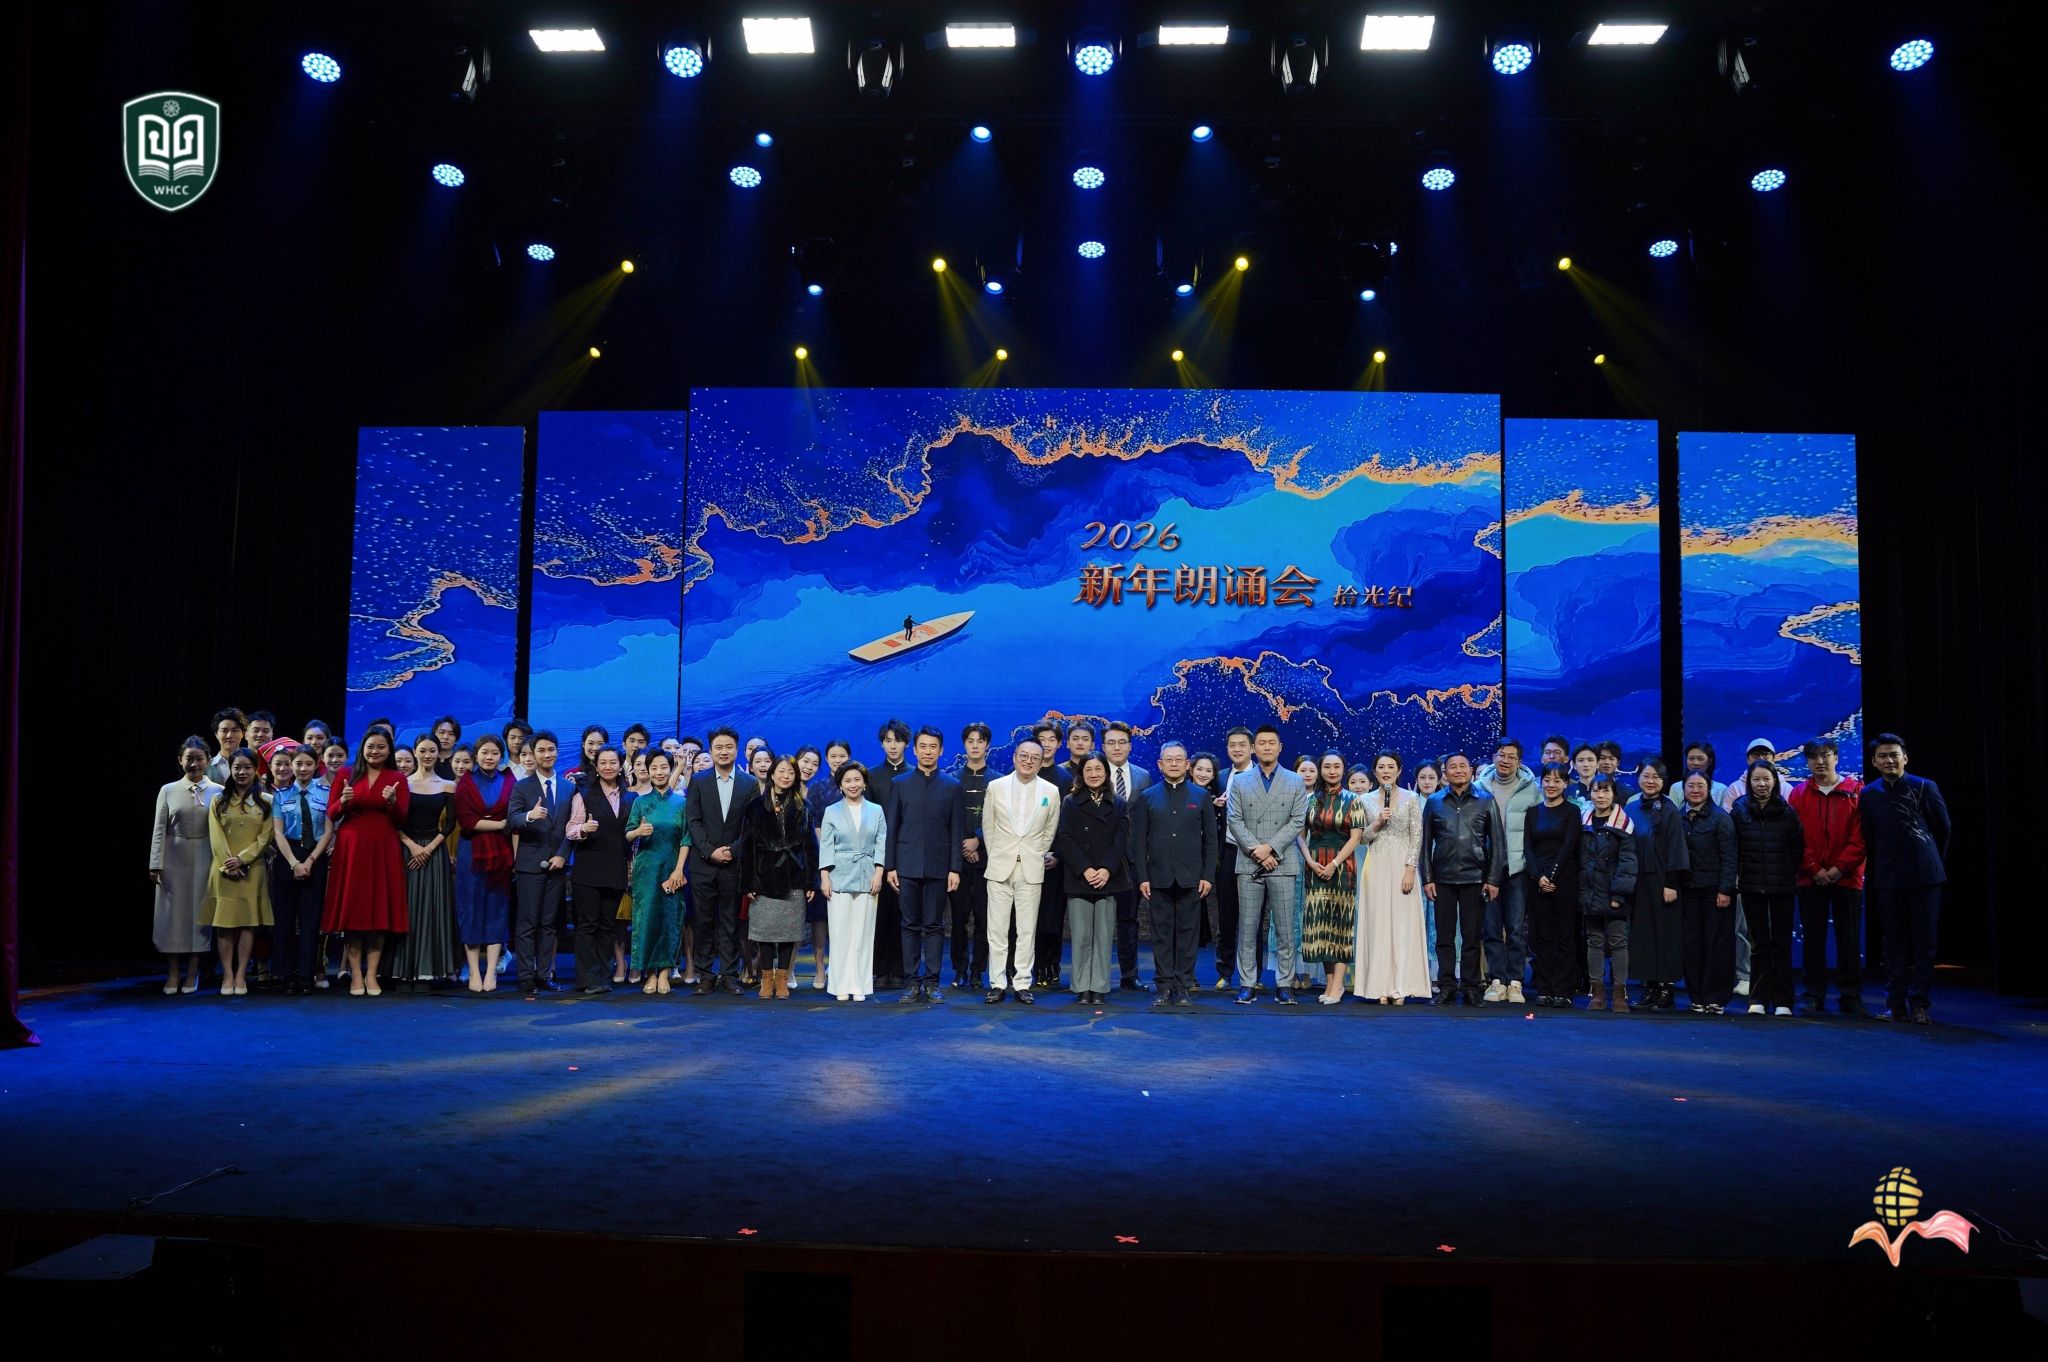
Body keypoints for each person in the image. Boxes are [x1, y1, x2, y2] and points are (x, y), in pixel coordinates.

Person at [1859, 733, 1950, 1025]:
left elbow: (1943, 828)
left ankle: (1920, 1004)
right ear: (1874, 762)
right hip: (1888, 877)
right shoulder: (1869, 794)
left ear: (1905, 758)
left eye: (1894, 755)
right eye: (1883, 756)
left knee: (1925, 942)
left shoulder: (1925, 786)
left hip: (1925, 876)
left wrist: (1931, 860)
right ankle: (1895, 1004)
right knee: (1893, 942)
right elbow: (1869, 835)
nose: (1889, 760)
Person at [321, 728, 412, 996]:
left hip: (383, 847)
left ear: (389, 750)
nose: (375, 751)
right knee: (354, 912)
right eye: (371, 746)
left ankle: (372, 974)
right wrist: (343, 801)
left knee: (378, 912)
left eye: (381, 747)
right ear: (362, 748)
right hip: (352, 849)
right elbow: (331, 813)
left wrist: (392, 802)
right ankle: (356, 975)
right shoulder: (347, 774)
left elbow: (401, 819)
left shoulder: (397, 778)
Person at [1227, 724, 1312, 1004]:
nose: (1266, 747)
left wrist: (1271, 848)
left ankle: (1284, 984)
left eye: (1271, 743)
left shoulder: (1294, 780)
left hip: (1282, 862)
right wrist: (1258, 851)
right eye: (1261, 743)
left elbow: (1297, 821)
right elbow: (1234, 820)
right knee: (1248, 928)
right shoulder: (1240, 781)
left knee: (1286, 929)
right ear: (1254, 748)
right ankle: (1247, 983)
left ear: (1280, 747)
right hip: (1250, 861)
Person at [1131, 741, 1216, 1007]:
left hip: (1192, 877)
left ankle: (1183, 986)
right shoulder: (1148, 797)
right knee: (1161, 934)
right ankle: (1164, 986)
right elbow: (1138, 842)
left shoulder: (1201, 796)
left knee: (1188, 934)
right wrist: (1143, 877)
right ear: (1160, 764)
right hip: (1158, 877)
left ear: (1187, 764)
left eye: (1179, 759)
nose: (1174, 763)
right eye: (1169, 759)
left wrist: (1207, 875)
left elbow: (1211, 841)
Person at [883, 726, 964, 1002]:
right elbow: (892, 828)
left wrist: (955, 868)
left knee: (934, 925)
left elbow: (956, 831)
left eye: (933, 747)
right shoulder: (900, 784)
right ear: (915, 750)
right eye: (923, 746)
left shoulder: (952, 785)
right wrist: (890, 866)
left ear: (941, 751)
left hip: (940, 867)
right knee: (909, 925)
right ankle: (911, 982)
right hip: (906, 866)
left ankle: (932, 982)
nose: (928, 751)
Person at [1419, 753, 1506, 1006]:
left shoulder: (1486, 800)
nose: (1458, 770)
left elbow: (1497, 843)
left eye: (1463, 766)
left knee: (1472, 936)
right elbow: (1425, 844)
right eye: (1452, 767)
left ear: (1470, 770)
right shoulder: (1434, 801)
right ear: (1445, 773)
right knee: (1444, 937)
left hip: (1475, 878)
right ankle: (1446, 985)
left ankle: (1470, 986)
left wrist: (1493, 879)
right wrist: (1427, 878)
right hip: (1442, 878)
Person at [1788, 739, 1868, 1015]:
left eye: (1825, 755)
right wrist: (1813, 868)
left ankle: (1850, 994)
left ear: (1836, 757)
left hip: (1847, 877)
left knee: (1849, 937)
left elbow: (1861, 836)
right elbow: (1795, 836)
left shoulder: (1856, 791)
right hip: (1810, 877)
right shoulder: (1798, 793)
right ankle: (1813, 993)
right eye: (1813, 757)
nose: (1819, 761)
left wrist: (1840, 868)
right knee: (1813, 937)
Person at [981, 739, 1061, 1004]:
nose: (1028, 761)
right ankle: (997, 983)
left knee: (1027, 930)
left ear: (1041, 761)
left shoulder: (1051, 791)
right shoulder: (996, 787)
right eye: (1024, 756)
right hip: (1000, 867)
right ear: (1015, 756)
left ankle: (1022, 982)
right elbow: (988, 827)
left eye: (1034, 758)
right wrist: (999, 855)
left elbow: (1049, 831)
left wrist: (1035, 854)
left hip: (1031, 868)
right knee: (997, 930)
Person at [1353, 751, 1430, 1004]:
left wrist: (1410, 868)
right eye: (1381, 767)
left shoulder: (1411, 798)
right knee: (1378, 925)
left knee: (1402, 925)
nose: (1386, 771)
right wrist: (1376, 823)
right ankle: (1379, 986)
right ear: (1375, 772)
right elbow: (1362, 838)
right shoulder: (1364, 800)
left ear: (1399, 770)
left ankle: (1401, 986)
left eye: (1391, 767)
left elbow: (1417, 836)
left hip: (1402, 866)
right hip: (1375, 864)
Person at [1729, 760, 1805, 1017]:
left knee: (1781, 945)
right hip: (1751, 886)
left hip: (1782, 887)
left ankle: (1783, 1000)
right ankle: (1758, 998)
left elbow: (1797, 849)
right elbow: (1734, 849)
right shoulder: (1739, 810)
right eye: (1756, 779)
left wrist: (1787, 874)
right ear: (1749, 783)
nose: (1761, 784)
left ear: (1774, 781)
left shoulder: (1787, 811)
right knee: (1759, 945)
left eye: (1766, 779)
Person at [684, 727, 756, 996]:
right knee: (703, 922)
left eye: (728, 747)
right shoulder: (699, 780)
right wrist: (709, 851)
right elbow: (693, 821)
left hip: (734, 865)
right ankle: (705, 974)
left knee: (730, 922)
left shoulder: (749, 783)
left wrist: (733, 851)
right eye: (718, 747)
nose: (723, 752)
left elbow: (751, 825)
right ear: (711, 750)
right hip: (703, 864)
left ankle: (728, 974)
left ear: (736, 749)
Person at [1058, 753, 1130, 1006]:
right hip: (1080, 877)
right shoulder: (1070, 802)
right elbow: (1065, 839)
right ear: (1081, 774)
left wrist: (1106, 869)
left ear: (1106, 773)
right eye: (1088, 770)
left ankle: (1099, 987)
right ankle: (1081, 987)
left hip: (1107, 878)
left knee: (1103, 936)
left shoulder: (1119, 803)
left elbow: (1121, 841)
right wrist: (1085, 869)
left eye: (1098, 769)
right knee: (1081, 936)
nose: (1094, 774)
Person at [151, 737, 219, 994]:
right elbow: (159, 829)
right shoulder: (168, 790)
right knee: (172, 917)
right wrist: (155, 863)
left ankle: (192, 972)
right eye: (189, 758)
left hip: (206, 857)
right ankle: (172, 972)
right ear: (180, 760)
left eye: (199, 758)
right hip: (174, 858)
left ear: (208, 761)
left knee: (199, 917)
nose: (194, 763)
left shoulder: (219, 790)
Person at [201, 748, 272, 996]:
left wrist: (242, 860)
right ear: (230, 769)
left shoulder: (267, 801)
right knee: (225, 925)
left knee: (248, 924)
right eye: (237, 767)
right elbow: (215, 836)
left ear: (256, 770)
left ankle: (241, 974)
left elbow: (265, 837)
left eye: (247, 767)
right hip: (223, 871)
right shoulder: (218, 800)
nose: (242, 772)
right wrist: (228, 864)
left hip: (253, 870)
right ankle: (227, 974)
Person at [506, 731, 571, 996]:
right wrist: (529, 816)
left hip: (557, 865)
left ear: (557, 751)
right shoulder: (522, 786)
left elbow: (572, 827)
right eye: (541, 750)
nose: (547, 754)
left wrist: (563, 855)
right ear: (533, 754)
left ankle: (544, 974)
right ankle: (525, 976)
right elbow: (511, 819)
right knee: (527, 923)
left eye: (551, 749)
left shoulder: (568, 787)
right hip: (530, 865)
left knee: (549, 923)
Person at [744, 755, 814, 1000]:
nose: (786, 776)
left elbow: (810, 846)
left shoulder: (804, 806)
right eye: (781, 771)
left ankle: (782, 978)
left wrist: (811, 880)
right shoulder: (755, 806)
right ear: (772, 774)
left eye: (791, 772)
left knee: (788, 931)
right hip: (764, 875)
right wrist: (749, 880)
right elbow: (747, 845)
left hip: (794, 875)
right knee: (764, 930)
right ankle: (766, 978)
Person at [1476, 738, 1540, 1003]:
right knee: (1491, 928)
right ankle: (1496, 981)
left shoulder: (1531, 788)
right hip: (1487, 869)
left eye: (1511, 757)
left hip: (1517, 869)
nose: (1505, 760)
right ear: (1494, 757)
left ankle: (1515, 982)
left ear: (1519, 762)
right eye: (1502, 755)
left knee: (1515, 928)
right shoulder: (1480, 787)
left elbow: (1538, 829)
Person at [1298, 752, 1365, 1005]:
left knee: (1340, 927)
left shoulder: (1352, 800)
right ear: (1321, 769)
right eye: (1327, 766)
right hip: (1315, 866)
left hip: (1342, 868)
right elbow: (1300, 836)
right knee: (1321, 928)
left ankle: (1338, 985)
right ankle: (1329, 984)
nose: (1332, 770)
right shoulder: (1310, 800)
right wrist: (1310, 861)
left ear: (1343, 769)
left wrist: (1334, 864)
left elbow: (1356, 837)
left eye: (1337, 766)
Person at [564, 745, 631, 995]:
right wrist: (584, 829)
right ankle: (587, 978)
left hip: (615, 869)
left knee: (607, 926)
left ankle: (604, 977)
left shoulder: (629, 796)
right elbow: (570, 829)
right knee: (587, 925)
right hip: (588, 870)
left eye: (613, 762)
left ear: (620, 765)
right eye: (603, 762)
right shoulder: (584, 794)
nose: (608, 767)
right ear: (595, 766)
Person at [1624, 759, 1690, 1010]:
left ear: (1663, 781)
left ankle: (1665, 988)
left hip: (1663, 881)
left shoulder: (1670, 809)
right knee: (1643, 935)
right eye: (1646, 776)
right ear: (1638, 778)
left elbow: (1676, 847)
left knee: (1664, 934)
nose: (1650, 781)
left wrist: (1671, 882)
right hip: (1638, 881)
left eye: (1656, 777)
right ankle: (1650, 987)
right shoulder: (1631, 808)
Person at [454, 733, 516, 993]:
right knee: (471, 909)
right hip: (471, 854)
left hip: (501, 854)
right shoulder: (465, 783)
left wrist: (499, 824)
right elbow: (467, 822)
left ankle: (491, 972)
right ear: (476, 755)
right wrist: (500, 824)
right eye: (484, 753)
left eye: (494, 753)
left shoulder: (509, 781)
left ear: (501, 756)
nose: (489, 757)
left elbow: (514, 817)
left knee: (496, 910)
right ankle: (473, 972)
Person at [624, 748, 689, 995]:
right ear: (647, 771)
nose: (659, 772)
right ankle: (650, 972)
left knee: (670, 920)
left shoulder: (681, 803)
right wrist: (638, 832)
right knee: (646, 920)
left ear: (670, 769)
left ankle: (665, 973)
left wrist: (679, 869)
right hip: (646, 870)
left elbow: (686, 839)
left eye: (663, 767)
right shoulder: (640, 802)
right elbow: (627, 834)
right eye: (654, 768)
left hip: (672, 869)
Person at [819, 762, 886, 1001]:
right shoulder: (832, 811)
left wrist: (878, 873)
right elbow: (826, 845)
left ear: (864, 783)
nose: (853, 784)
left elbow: (881, 842)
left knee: (863, 934)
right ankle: (840, 985)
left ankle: (859, 984)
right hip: (839, 875)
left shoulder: (876, 810)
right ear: (840, 785)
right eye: (847, 781)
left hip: (868, 875)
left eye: (857, 779)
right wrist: (824, 877)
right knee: (840, 934)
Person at [269, 743, 331, 995]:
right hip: (288, 857)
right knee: (284, 919)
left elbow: (328, 831)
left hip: (315, 857)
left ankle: (306, 974)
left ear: (316, 766)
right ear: (291, 766)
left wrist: (310, 861)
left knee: (310, 919)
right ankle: (285, 974)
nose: (303, 768)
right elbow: (277, 832)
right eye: (298, 764)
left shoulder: (326, 793)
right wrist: (294, 863)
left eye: (308, 763)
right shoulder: (280, 795)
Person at [1521, 762, 1582, 1008]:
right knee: (1542, 936)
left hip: (1564, 880)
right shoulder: (1533, 812)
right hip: (1538, 881)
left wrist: (1553, 876)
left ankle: (1563, 989)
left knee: (1565, 936)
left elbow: (1569, 847)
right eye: (1547, 780)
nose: (1551, 785)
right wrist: (1539, 877)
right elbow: (1528, 847)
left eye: (1557, 780)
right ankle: (1544, 988)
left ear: (1565, 784)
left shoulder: (1572, 811)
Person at [1678, 771, 1739, 1014]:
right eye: (1690, 786)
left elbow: (1730, 857)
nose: (1695, 790)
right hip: (1688, 891)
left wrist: (1725, 889)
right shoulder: (1678, 817)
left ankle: (1715, 998)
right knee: (1691, 945)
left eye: (1700, 786)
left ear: (1709, 788)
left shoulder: (1720, 818)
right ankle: (1696, 996)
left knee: (1717, 944)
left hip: (1715, 892)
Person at [1578, 776, 1638, 1012]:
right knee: (1594, 942)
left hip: (1614, 893)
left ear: (1614, 794)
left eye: (1605, 791)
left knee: (1617, 942)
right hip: (1590, 892)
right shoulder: (1584, 821)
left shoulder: (1623, 824)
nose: (1600, 796)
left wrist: (1619, 895)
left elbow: (1628, 863)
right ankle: (1597, 993)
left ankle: (1620, 993)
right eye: (1596, 791)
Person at [1099, 722, 1151, 989]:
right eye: (1111, 742)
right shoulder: (1093, 773)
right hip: (1099, 860)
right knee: (1099, 922)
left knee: (1129, 920)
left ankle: (1130, 975)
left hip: (1131, 861)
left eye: (1122, 742)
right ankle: (1097, 977)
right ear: (1103, 746)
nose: (1117, 747)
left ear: (1130, 746)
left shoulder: (1143, 776)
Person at [950, 723, 995, 992]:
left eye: (980, 741)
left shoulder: (998, 781)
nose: (975, 745)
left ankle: (978, 970)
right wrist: (964, 846)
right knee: (958, 918)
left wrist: (978, 839)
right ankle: (959, 969)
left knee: (983, 918)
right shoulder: (952, 779)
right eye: (970, 741)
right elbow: (946, 818)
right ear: (964, 744)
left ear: (987, 745)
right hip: (958, 861)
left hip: (988, 859)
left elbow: (999, 818)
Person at [868, 719, 912, 989]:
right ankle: (880, 969)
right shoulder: (872, 776)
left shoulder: (914, 774)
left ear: (906, 744)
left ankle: (901, 969)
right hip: (877, 856)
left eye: (898, 740)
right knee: (879, 915)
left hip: (906, 854)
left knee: (902, 914)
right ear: (882, 743)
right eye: (887, 741)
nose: (892, 746)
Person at [1030, 728, 1074, 987]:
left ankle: (1051, 966)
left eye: (1051, 740)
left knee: (1052, 918)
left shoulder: (1065, 778)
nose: (1046, 744)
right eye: (1041, 740)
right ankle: (1029, 967)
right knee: (1027, 918)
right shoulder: (1023, 773)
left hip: (1055, 862)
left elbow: (1065, 823)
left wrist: (1057, 854)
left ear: (1059, 744)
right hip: (1026, 859)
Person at [1210, 728, 1254, 989]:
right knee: (1226, 914)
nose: (1237, 749)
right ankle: (1225, 971)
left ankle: (1253, 974)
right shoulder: (1220, 777)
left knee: (1253, 915)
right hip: (1227, 851)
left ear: (1252, 748)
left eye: (1242, 745)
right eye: (1232, 745)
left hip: (1254, 853)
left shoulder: (1263, 777)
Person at [1411, 760, 1444, 978]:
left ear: (1439, 779)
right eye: (1422, 777)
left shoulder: (1444, 802)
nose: (1427, 782)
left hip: (1440, 867)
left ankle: (1435, 975)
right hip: (1414, 867)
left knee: (1438, 922)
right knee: (1416, 920)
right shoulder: (1410, 802)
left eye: (1431, 777)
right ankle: (1415, 974)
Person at [207, 708, 246, 785]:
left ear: (243, 733)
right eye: (224, 731)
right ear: (216, 734)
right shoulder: (206, 766)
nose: (229, 735)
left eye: (234, 730)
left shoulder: (252, 764)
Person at [1683, 741, 1728, 807]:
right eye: (1691, 758)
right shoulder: (1676, 787)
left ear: (1710, 761)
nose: (1695, 763)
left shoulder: (1721, 789)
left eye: (1700, 759)